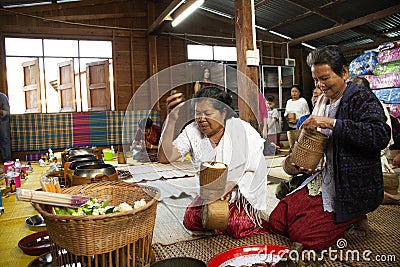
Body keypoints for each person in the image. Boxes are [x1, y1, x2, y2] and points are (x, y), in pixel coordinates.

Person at [268, 45, 391, 251]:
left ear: (344, 72)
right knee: (277, 221)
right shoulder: (323, 101)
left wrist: (331, 123)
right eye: (316, 79)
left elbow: (380, 134)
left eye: (325, 78)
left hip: (350, 186)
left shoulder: (359, 97)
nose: (320, 85)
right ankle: (341, 217)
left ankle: (355, 213)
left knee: (305, 238)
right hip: (324, 178)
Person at [158, 86, 268, 238]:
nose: (201, 119)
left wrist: (231, 184)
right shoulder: (193, 130)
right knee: (191, 220)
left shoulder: (242, 129)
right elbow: (165, 158)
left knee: (238, 226)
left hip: (238, 192)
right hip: (209, 193)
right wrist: (171, 120)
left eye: (208, 113)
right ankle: (218, 222)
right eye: (197, 113)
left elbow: (255, 165)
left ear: (223, 113)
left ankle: (235, 217)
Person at [348, 76, 399, 205]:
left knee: (369, 195)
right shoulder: (357, 105)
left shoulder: (373, 106)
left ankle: (395, 200)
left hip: (372, 158)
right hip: (363, 158)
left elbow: (380, 136)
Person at [0, 92, 11, 163]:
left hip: (2, 121)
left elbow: (7, 112)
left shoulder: (2, 97)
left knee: (5, 139)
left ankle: (7, 161)